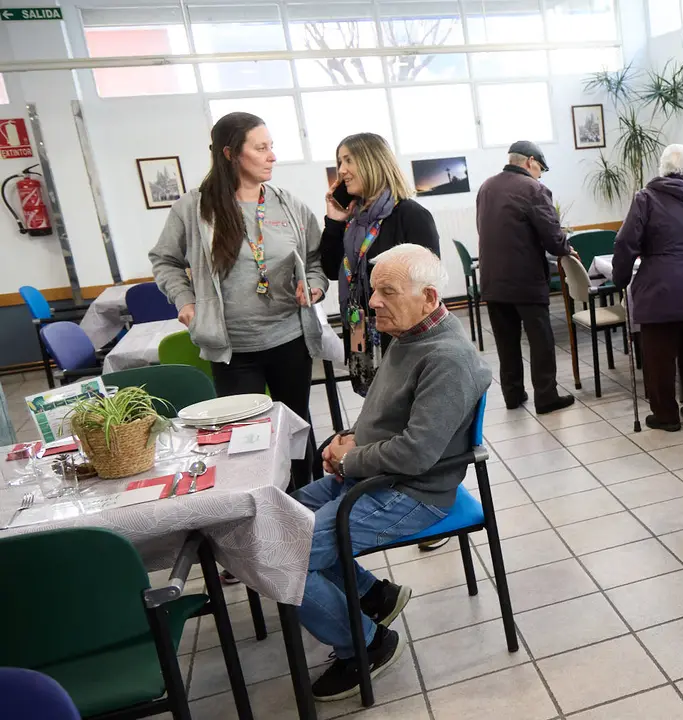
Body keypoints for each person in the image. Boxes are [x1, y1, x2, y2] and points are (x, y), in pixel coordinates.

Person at [295, 244, 491, 701]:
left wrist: (349, 458)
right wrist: (346, 440)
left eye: (386, 292)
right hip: (382, 476)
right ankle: (372, 595)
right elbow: (388, 417)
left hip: (412, 493)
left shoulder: (446, 357)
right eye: (372, 290)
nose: (372, 303)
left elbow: (417, 453)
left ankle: (366, 643)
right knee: (283, 515)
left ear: (427, 297)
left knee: (287, 554)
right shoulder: (411, 336)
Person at [150, 111, 326, 483]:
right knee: (246, 438)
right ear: (230, 154)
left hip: (289, 340)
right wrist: (184, 301)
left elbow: (314, 260)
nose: (272, 156)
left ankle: (304, 501)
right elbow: (164, 260)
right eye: (261, 148)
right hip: (234, 349)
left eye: (271, 147)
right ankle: (261, 506)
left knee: (296, 426)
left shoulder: (287, 204)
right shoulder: (194, 208)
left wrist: (314, 285)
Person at [612, 144, 683, 431]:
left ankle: (666, 415)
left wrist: (621, 278)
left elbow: (626, 242)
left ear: (662, 168)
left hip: (658, 291)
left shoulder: (646, 199)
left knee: (658, 357)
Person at [320, 132, 440, 397]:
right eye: (340, 162)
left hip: (401, 335)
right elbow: (330, 270)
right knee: (376, 404)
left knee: (402, 404)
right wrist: (335, 221)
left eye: (349, 161)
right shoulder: (352, 220)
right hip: (360, 326)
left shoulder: (410, 215)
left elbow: (428, 285)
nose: (342, 171)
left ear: (372, 162)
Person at [476, 140, 576, 414]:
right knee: (540, 341)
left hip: (493, 280)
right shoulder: (534, 189)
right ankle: (545, 397)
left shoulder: (486, 187)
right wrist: (567, 248)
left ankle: (513, 395)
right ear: (531, 161)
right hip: (526, 280)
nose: (540, 174)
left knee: (506, 342)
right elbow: (553, 239)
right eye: (540, 168)